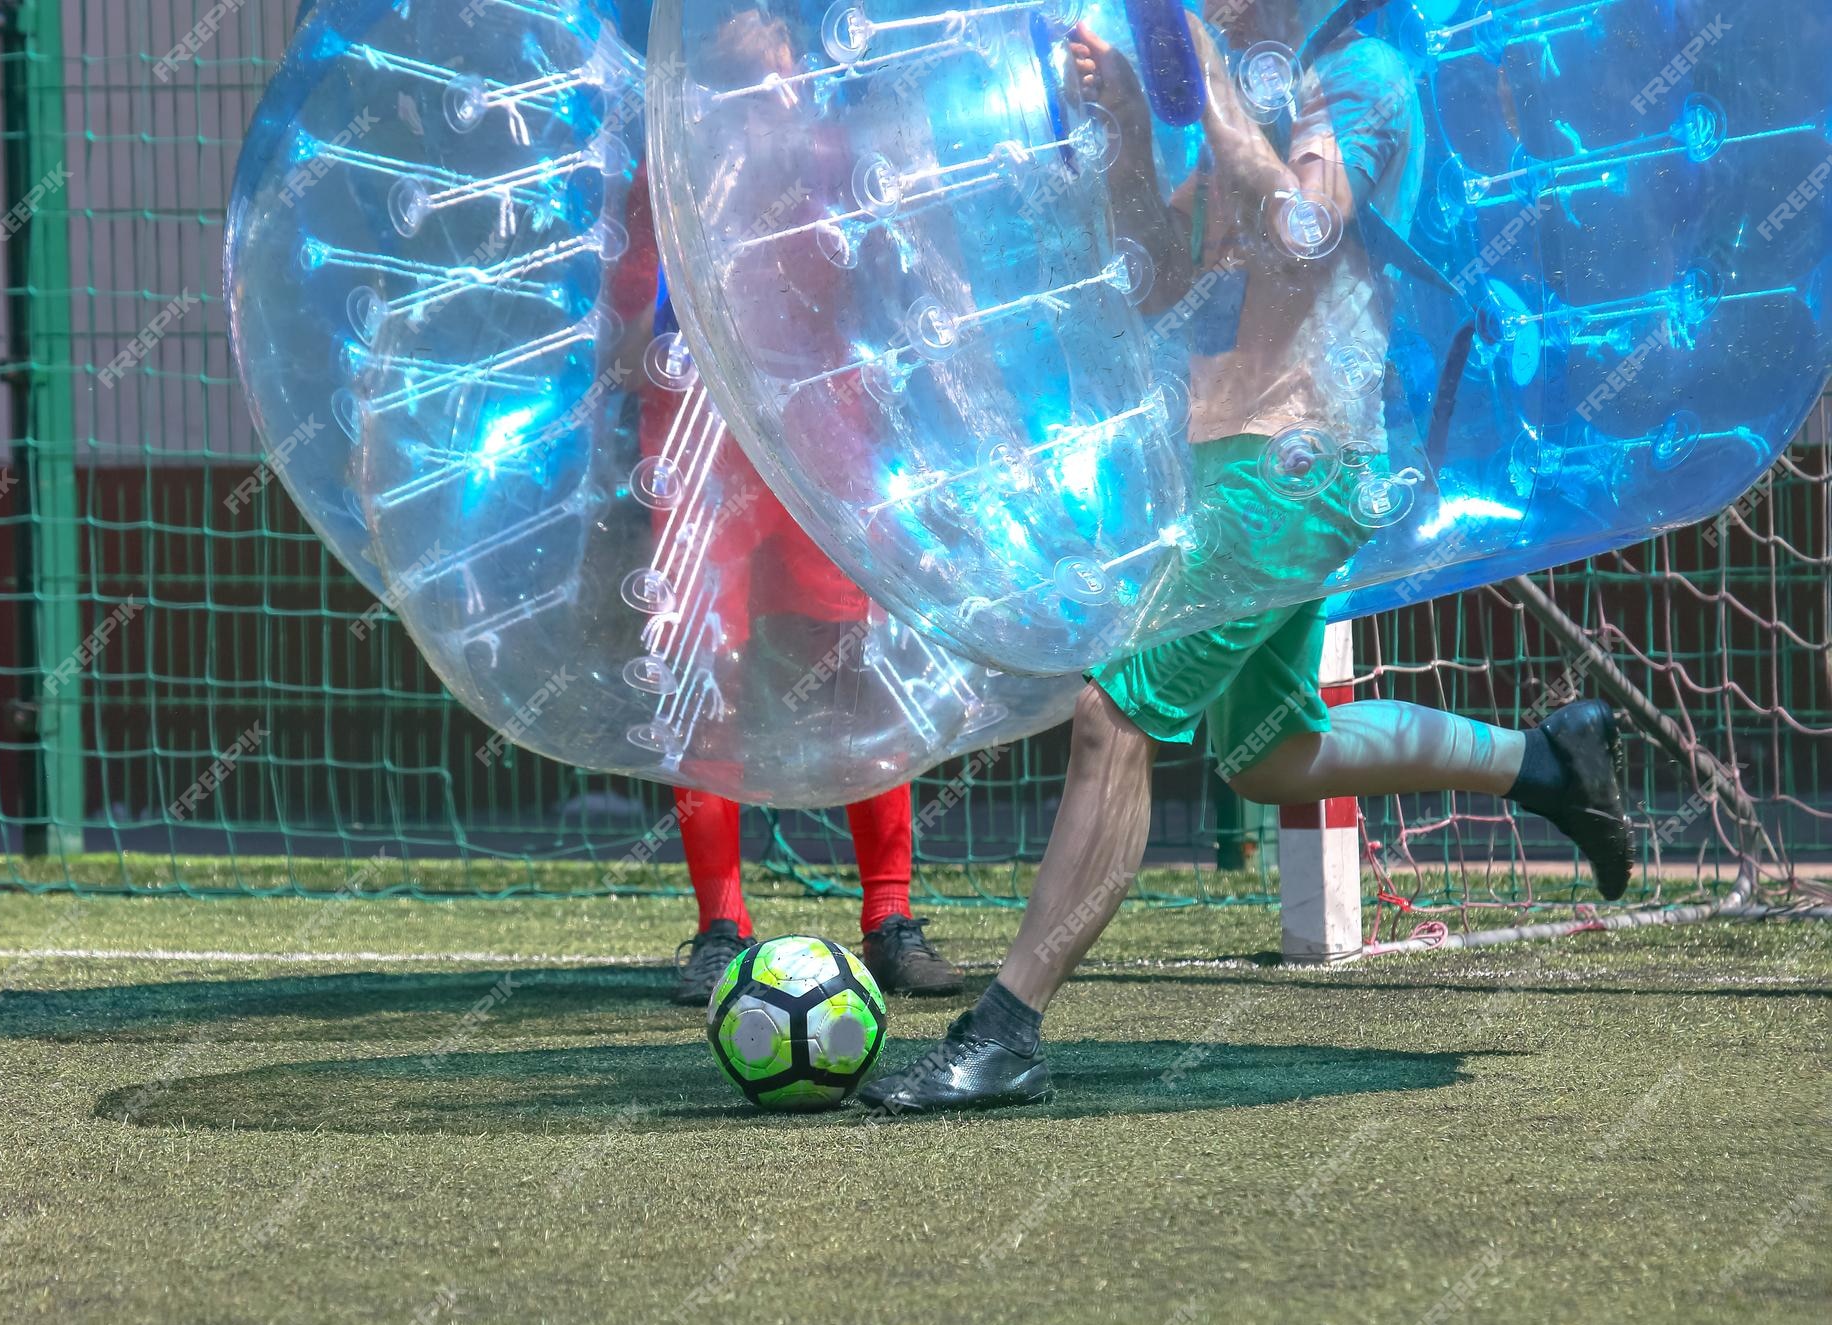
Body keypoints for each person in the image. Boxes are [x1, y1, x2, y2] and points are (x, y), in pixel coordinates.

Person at [857, 6, 1636, 1111]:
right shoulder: (1262, 98)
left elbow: (1303, 224)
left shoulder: (1355, 78)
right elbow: (1163, 281)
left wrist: (1212, 88)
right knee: (1273, 755)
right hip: (1233, 457)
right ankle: (1544, 764)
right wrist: (1129, 129)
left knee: (1110, 716)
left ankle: (1006, 1027)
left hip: (1296, 466)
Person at [607, 159, 966, 1007]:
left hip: (824, 431)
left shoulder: (830, 139)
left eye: (763, 19)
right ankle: (721, 926)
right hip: (696, 437)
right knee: (704, 672)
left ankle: (890, 918)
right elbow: (627, 333)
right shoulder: (665, 158)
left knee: (851, 668)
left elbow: (897, 285)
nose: (744, 25)